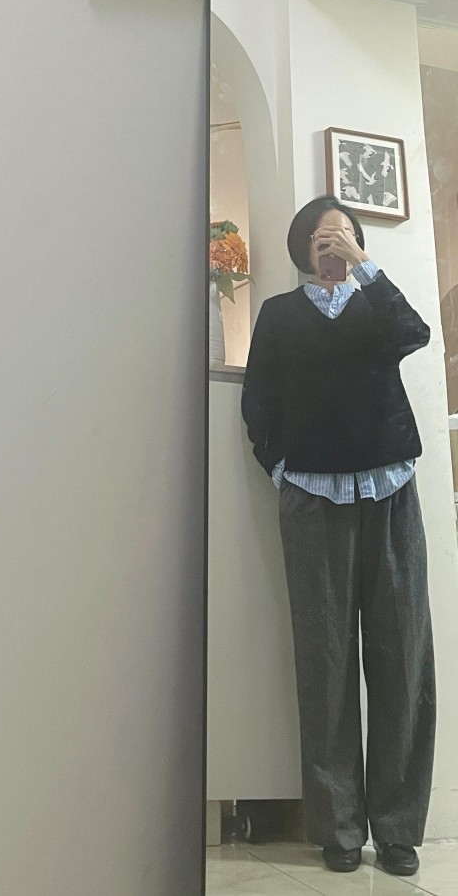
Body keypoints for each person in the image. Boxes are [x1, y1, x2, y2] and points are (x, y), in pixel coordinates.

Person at [241, 195, 436, 876]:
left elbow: (415, 335)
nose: (334, 244)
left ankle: (400, 829)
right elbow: (258, 401)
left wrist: (367, 268)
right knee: (323, 661)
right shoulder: (279, 315)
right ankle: (340, 827)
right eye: (323, 237)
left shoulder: (377, 306)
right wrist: (282, 467)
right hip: (312, 497)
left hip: (390, 488)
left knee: (402, 653)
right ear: (303, 248)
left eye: (345, 235)